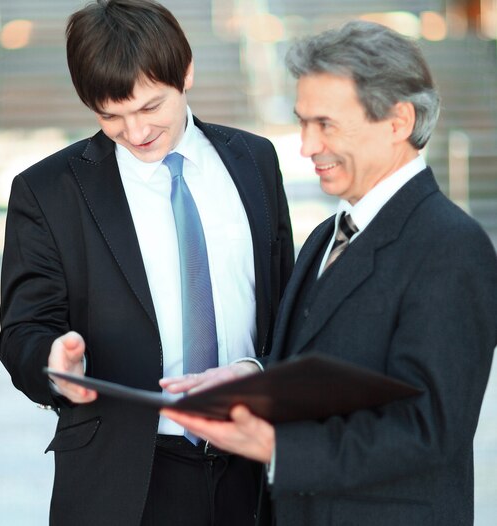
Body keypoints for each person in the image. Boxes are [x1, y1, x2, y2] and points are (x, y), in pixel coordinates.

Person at [162, 20, 497, 526]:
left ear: (398, 121)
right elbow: (325, 364)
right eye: (302, 123)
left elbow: (430, 427)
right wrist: (253, 375)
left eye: (326, 125)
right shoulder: (326, 233)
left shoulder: (452, 246)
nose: (306, 146)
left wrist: (278, 447)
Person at [0, 0, 294, 525]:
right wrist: (55, 367)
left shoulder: (256, 160)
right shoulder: (47, 192)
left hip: (255, 472)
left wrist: (259, 371)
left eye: (151, 107)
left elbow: (288, 307)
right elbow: (23, 330)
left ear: (186, 73)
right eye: (111, 115)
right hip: (125, 480)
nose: (136, 133)